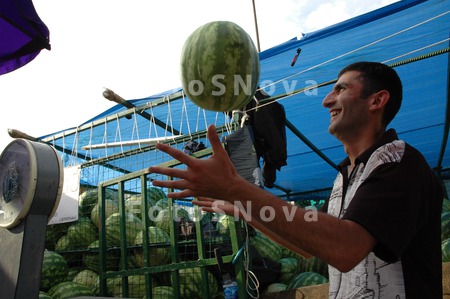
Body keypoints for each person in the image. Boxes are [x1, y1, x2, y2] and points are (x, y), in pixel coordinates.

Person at [149, 61, 443, 298]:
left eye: (340, 89)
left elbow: (346, 248)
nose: (327, 100)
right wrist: (243, 207)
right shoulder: (345, 177)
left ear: (377, 100)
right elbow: (310, 245)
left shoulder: (397, 160)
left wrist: (234, 187)